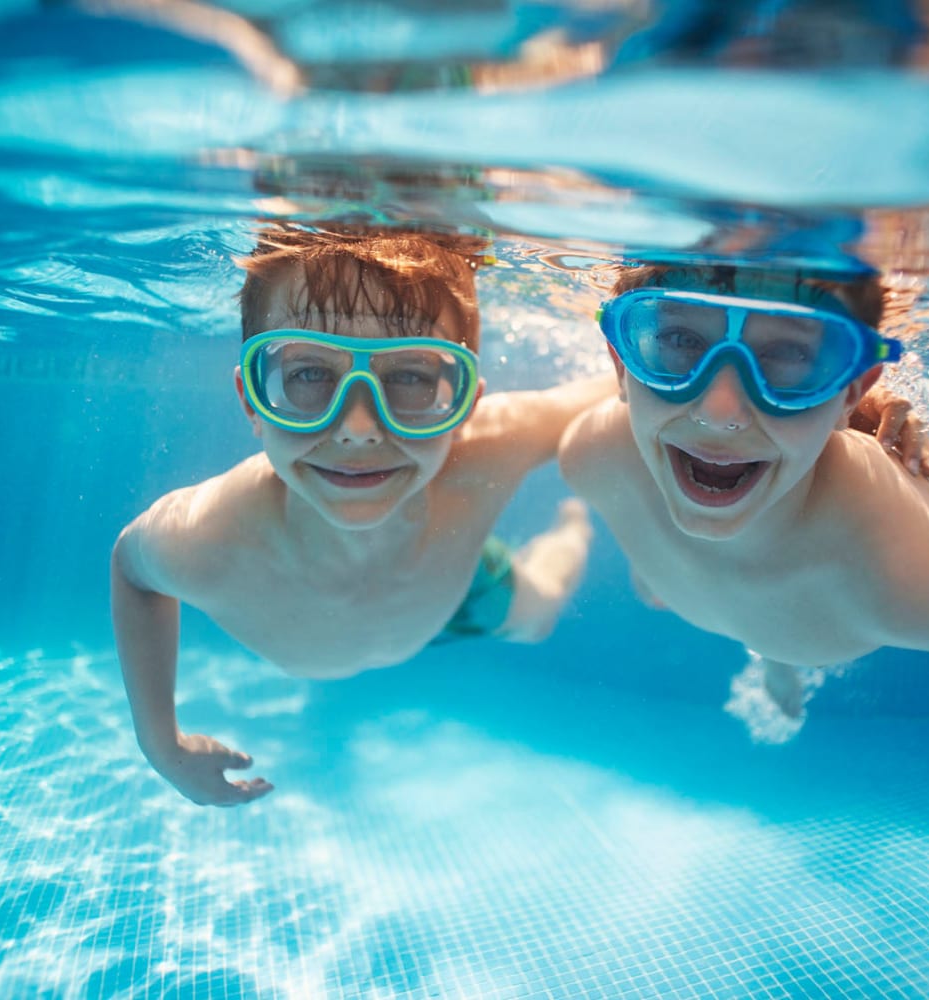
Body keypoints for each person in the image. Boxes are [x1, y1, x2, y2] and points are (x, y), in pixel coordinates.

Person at [111, 226, 609, 807]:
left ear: (464, 407)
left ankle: (572, 525)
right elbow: (131, 567)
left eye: (411, 378)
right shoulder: (209, 535)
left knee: (538, 613)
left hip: (457, 578)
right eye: (309, 376)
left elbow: (634, 389)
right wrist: (160, 743)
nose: (358, 427)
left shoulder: (491, 446)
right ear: (252, 399)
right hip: (428, 586)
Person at [558, 263, 929, 733]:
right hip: (784, 610)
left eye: (788, 356)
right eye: (680, 341)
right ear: (619, 364)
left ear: (852, 390)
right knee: (762, 601)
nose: (719, 412)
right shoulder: (596, 458)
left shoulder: (901, 564)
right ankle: (778, 659)